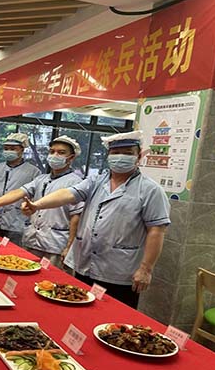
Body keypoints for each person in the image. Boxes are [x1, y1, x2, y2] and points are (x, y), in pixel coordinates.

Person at [20, 130, 170, 308]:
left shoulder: (151, 190)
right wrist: (37, 205)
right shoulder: (96, 181)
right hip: (85, 263)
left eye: (128, 153)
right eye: (115, 152)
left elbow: (156, 231)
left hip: (119, 269)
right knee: (80, 307)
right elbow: (68, 194)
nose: (120, 157)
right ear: (108, 156)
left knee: (114, 315)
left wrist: (146, 268)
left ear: (139, 157)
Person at [0, 136, 84, 268]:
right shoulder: (42, 179)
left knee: (50, 278)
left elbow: (76, 217)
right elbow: (18, 192)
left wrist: (69, 247)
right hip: (32, 240)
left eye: (61, 153)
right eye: (52, 152)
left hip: (55, 244)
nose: (54, 156)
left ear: (71, 158)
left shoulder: (76, 182)